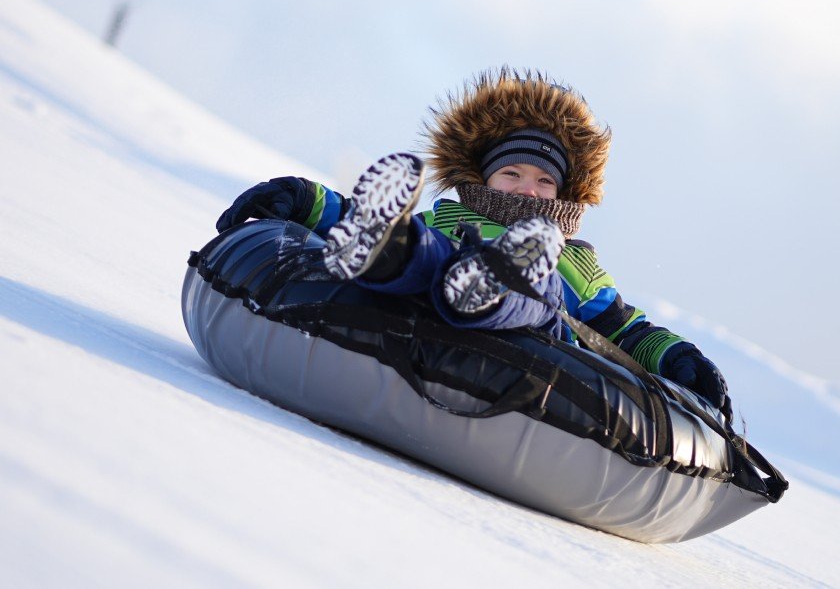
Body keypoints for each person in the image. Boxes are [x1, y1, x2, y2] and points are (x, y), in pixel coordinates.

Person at [216, 68, 733, 421]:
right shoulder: (448, 218)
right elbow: (351, 216)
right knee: (424, 249)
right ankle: (390, 253)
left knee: (541, 287)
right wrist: (303, 199)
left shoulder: (575, 260)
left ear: (563, 194)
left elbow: (624, 329)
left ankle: (499, 277)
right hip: (430, 300)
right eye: (512, 173)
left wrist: (676, 356)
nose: (528, 189)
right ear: (483, 179)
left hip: (532, 336)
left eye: (544, 181)